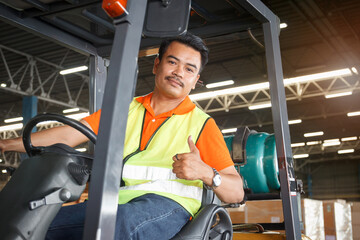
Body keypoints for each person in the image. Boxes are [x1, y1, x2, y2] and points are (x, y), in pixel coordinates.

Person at [0, 33, 244, 240]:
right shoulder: (124, 111)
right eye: (173, 62)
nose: (179, 72)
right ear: (156, 65)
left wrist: (206, 173)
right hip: (116, 203)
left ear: (195, 81)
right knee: (38, 221)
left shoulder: (202, 124)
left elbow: (236, 192)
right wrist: (6, 144)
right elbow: (70, 133)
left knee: (121, 224)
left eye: (189, 69)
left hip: (171, 208)